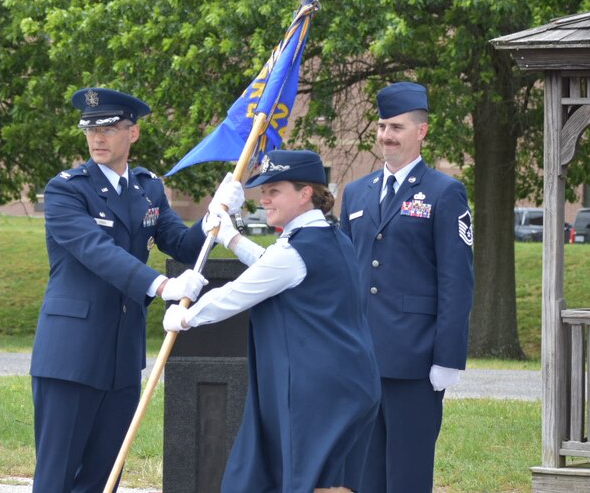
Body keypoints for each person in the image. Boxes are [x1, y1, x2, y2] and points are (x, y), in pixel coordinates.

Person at [30, 87, 242, 493]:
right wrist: (161, 284)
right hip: (71, 355)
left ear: (133, 133)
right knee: (58, 478)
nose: (97, 138)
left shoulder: (146, 188)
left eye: (109, 128)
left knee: (104, 476)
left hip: (121, 358)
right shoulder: (67, 190)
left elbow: (180, 243)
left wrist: (215, 213)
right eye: (90, 129)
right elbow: (96, 252)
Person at [164, 149, 381, 492]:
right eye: (262, 191)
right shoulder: (328, 236)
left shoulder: (297, 249)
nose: (264, 199)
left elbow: (239, 293)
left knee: (306, 483)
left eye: (274, 190)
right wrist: (231, 238)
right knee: (325, 481)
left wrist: (186, 316)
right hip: (345, 384)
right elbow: (273, 265)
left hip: (316, 392)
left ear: (305, 193)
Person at [338, 81, 474, 492]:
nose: (386, 136)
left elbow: (456, 280)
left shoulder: (445, 193)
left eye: (396, 127)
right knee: (362, 474)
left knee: (408, 476)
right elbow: (345, 275)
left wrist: (446, 358)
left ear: (422, 131)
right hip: (362, 359)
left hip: (415, 362)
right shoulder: (356, 191)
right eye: (381, 126)